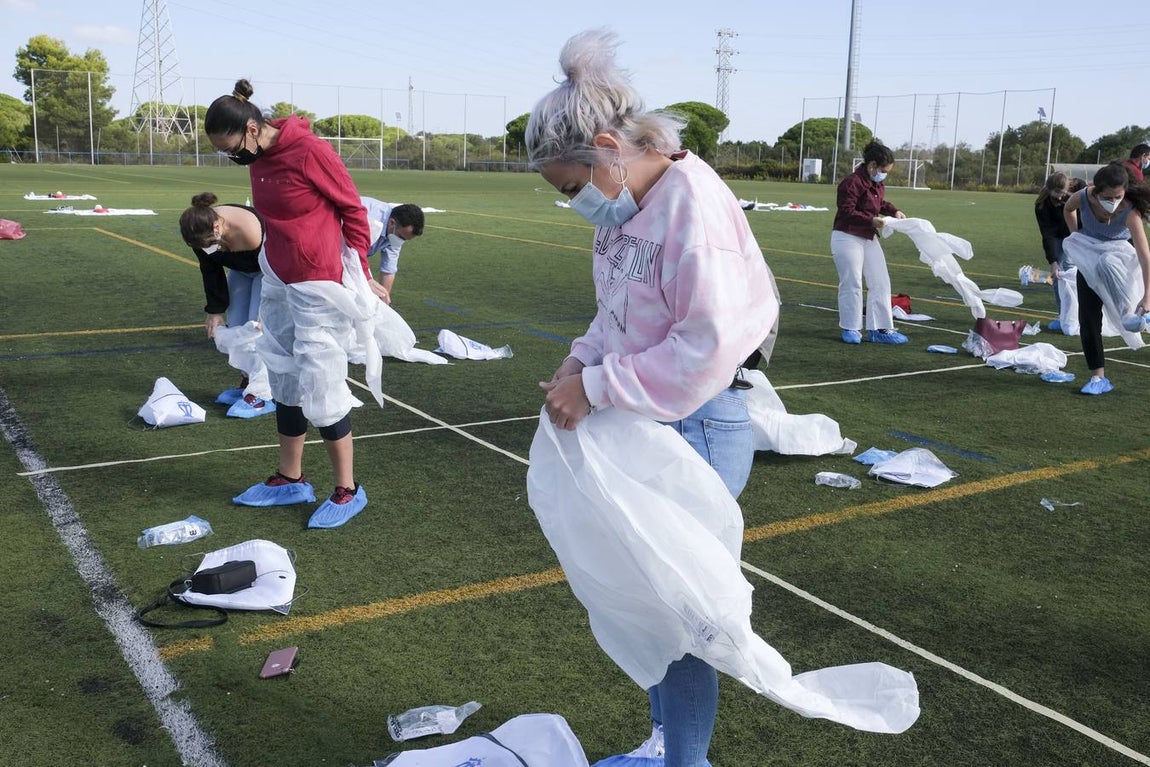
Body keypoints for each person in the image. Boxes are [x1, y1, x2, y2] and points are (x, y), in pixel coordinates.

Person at [525, 29, 778, 767]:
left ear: (609, 145)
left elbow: (704, 347)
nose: (576, 206)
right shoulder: (633, 200)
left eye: (574, 187)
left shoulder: (691, 208)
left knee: (682, 607)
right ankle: (669, 743)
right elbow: (620, 313)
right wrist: (580, 361)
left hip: (696, 421)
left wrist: (597, 386)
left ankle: (685, 759)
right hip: (652, 415)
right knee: (652, 596)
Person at [204, 79, 389, 528]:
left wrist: (361, 272)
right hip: (279, 281)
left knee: (323, 387)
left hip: (319, 286)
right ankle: (291, 477)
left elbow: (351, 209)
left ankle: (347, 489)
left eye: (233, 148)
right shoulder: (259, 159)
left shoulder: (309, 151)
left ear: (252, 129)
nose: (233, 158)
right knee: (282, 379)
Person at [178, 192, 274, 417]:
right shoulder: (199, 234)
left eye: (213, 244)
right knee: (238, 327)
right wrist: (215, 310)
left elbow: (278, 266)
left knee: (257, 330)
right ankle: (249, 381)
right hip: (242, 271)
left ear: (218, 226)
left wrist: (270, 306)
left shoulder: (250, 231)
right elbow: (210, 269)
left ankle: (264, 395)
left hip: (269, 273)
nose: (213, 249)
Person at [1062, 162, 1150, 395]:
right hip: (1089, 260)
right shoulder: (1083, 197)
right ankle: (1098, 378)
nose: (1113, 202)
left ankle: (1127, 313)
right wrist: (1078, 238)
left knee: (1107, 262)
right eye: (1108, 197)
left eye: (1118, 196)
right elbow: (1067, 209)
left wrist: (1147, 296)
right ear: (1095, 189)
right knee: (1088, 319)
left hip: (1119, 261)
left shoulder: (1130, 212)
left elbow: (1144, 255)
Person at [830, 140, 908, 345]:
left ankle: (879, 329)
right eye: (884, 170)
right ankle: (851, 327)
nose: (885, 174)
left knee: (881, 281)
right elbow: (847, 211)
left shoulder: (876, 183)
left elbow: (879, 203)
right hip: (847, 236)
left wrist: (894, 211)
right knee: (852, 282)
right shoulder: (852, 182)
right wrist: (871, 220)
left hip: (868, 236)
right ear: (872, 165)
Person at [361, 196, 425, 300]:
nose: (401, 241)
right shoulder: (370, 220)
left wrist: (384, 299)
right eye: (401, 237)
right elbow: (351, 256)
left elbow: (388, 269)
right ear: (391, 223)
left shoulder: (397, 231)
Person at [1034, 172, 1073, 330]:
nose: (1059, 197)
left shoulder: (1076, 193)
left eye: (1062, 193)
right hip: (1056, 237)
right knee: (1059, 275)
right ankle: (1063, 315)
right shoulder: (1041, 206)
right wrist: (1053, 261)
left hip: (1077, 234)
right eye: (1056, 193)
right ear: (1049, 189)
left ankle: (1079, 314)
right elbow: (1047, 233)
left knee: (1075, 273)